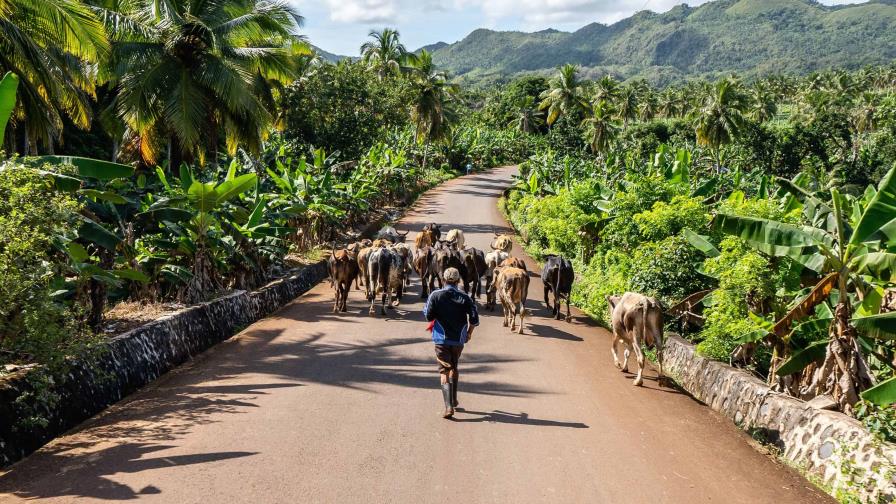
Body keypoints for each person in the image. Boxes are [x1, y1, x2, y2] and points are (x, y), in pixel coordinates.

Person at [423, 267, 479, 418]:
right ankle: (453, 399)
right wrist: (468, 334)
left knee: (444, 372)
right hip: (458, 340)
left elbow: (428, 316)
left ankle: (448, 407)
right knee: (454, 366)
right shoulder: (466, 297)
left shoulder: (435, 295)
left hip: (441, 339)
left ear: (443, 280)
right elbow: (474, 318)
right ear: (458, 280)